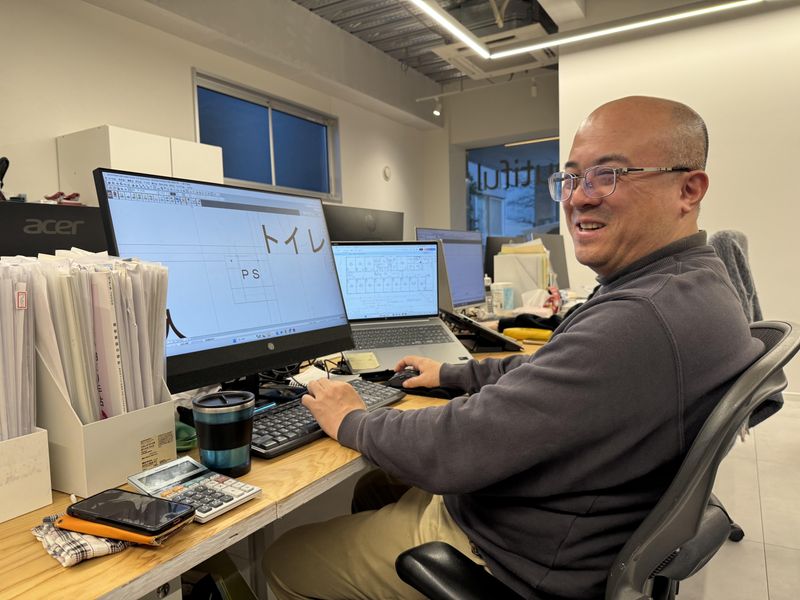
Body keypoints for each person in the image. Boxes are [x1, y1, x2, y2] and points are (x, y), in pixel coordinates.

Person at [263, 96, 764, 599]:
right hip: (568, 517)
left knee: (282, 561)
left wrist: (352, 418)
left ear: (688, 189)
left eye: (608, 175)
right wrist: (452, 374)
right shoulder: (692, 282)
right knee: (372, 487)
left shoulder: (639, 319)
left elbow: (456, 446)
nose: (578, 197)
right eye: (571, 178)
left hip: (518, 553)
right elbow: (550, 371)